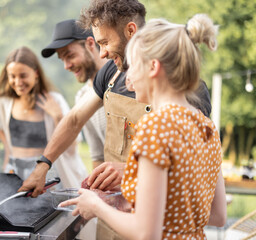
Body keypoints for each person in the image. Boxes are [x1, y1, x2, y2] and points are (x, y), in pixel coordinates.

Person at [60, 13, 227, 239]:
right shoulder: (206, 127)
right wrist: (135, 204)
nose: (128, 80)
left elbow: (146, 233)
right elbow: (217, 216)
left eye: (133, 67)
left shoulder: (155, 126)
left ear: (153, 68)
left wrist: (97, 206)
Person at [0, 46, 87, 188]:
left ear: (35, 73)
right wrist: (7, 160)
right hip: (14, 171)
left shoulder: (54, 100)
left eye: (23, 75)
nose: (18, 82)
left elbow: (73, 144)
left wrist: (58, 116)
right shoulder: (4, 103)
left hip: (45, 173)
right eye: (12, 76)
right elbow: (2, 131)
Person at [41, 19, 108, 169]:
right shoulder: (81, 97)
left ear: (90, 44)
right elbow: (98, 156)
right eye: (62, 59)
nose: (66, 66)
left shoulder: (123, 81)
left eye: (70, 55)